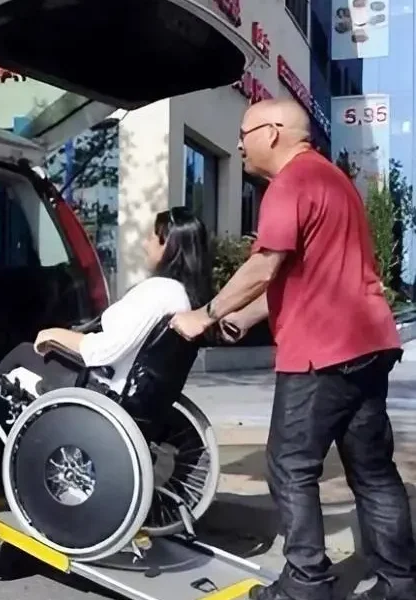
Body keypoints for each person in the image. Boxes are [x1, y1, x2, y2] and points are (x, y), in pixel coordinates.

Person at [170, 98, 416, 600]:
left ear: (274, 131)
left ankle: (306, 585)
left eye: (244, 132)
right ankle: (400, 582)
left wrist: (207, 314)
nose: (238, 144)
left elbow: (264, 266)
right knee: (372, 470)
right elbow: (308, 274)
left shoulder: (290, 183)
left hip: (321, 352)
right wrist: (246, 316)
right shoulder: (334, 183)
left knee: (289, 466)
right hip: (368, 344)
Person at [0, 206, 213, 396]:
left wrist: (54, 335)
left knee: (22, 352)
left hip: (104, 387)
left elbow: (106, 350)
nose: (145, 245)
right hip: (128, 385)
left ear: (167, 244)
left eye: (150, 238)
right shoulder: (181, 297)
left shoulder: (160, 292)